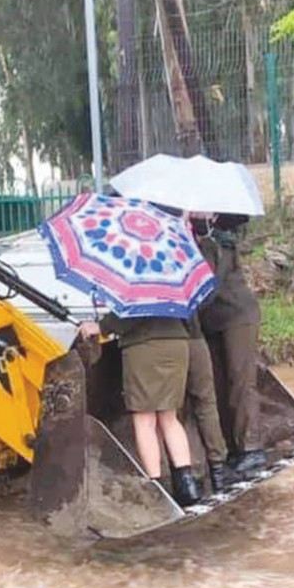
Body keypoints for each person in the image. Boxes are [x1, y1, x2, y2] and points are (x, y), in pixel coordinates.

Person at [78, 312, 201, 507]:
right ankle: (187, 485)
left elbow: (129, 315)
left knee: (145, 420)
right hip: (176, 344)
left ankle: (156, 491)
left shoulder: (139, 284)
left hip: (144, 347)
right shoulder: (170, 281)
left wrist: (100, 326)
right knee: (169, 417)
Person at [197, 214, 266, 478]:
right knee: (219, 384)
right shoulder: (205, 242)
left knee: (241, 380)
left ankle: (251, 448)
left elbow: (208, 289)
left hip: (237, 317)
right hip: (215, 322)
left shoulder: (219, 243)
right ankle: (232, 447)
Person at [184, 313, 233, 493]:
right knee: (206, 404)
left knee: (172, 413)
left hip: (165, 346)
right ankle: (218, 470)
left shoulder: (143, 287)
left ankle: (189, 475)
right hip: (197, 339)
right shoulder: (183, 285)